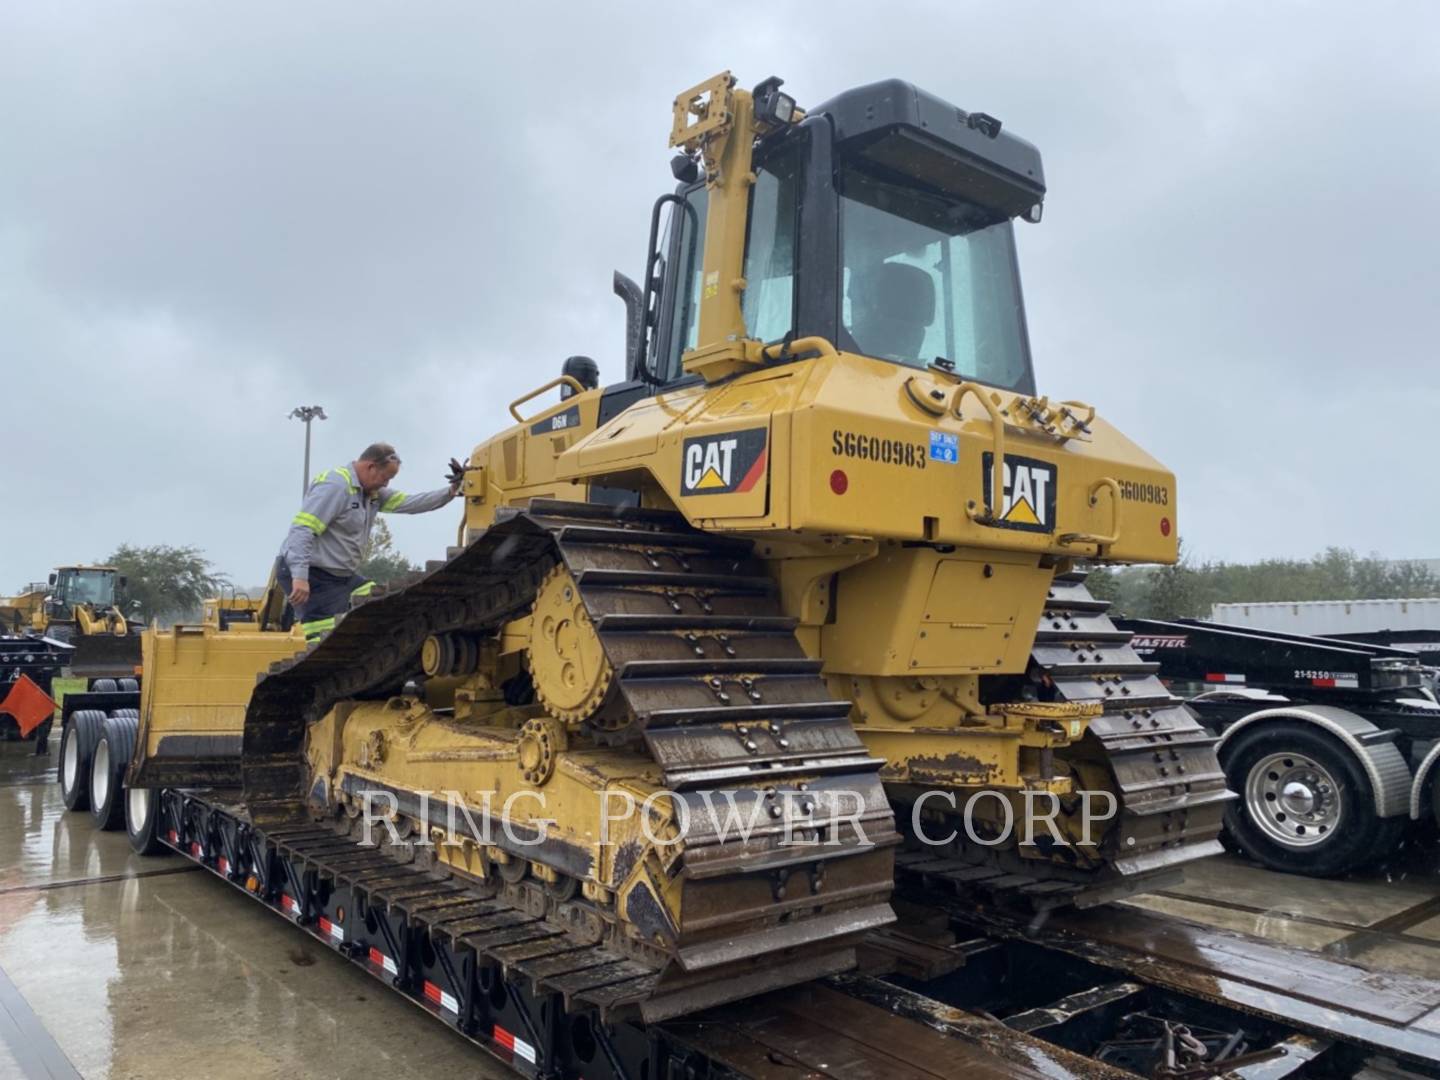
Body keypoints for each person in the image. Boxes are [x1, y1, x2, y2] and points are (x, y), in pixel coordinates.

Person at [277, 442, 461, 641]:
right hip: (313, 576)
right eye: (385, 477)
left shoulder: (371, 493)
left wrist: (451, 491)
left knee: (377, 602)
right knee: (325, 641)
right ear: (371, 467)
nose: (386, 484)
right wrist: (300, 576)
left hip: (341, 576)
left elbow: (410, 502)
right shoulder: (336, 486)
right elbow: (303, 530)